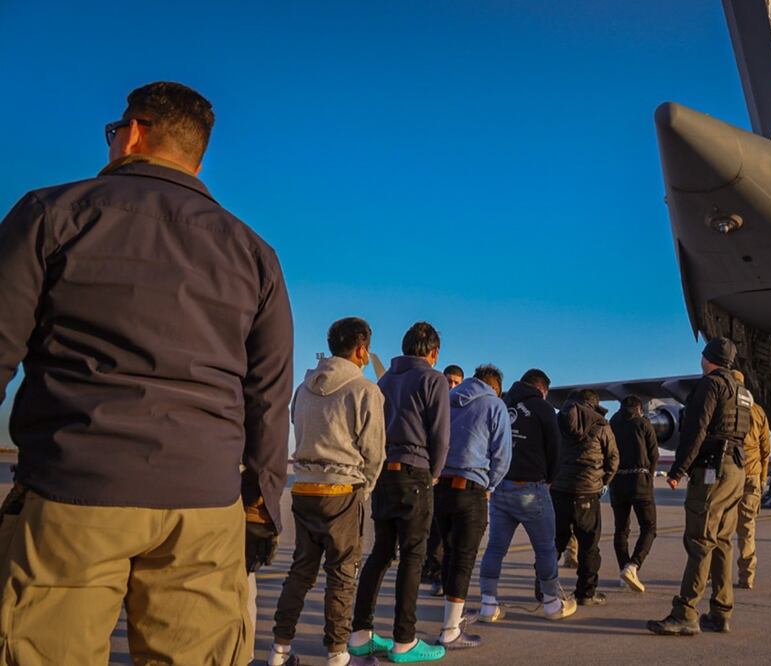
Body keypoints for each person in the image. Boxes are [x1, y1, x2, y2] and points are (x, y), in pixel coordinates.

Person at [0, 81, 293, 664]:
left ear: (133, 132)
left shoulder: (52, 214)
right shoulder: (253, 253)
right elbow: (268, 393)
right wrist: (261, 506)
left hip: (76, 487)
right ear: (197, 160)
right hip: (204, 504)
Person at [267, 318, 386, 666]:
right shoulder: (365, 390)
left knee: (300, 572)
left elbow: (297, 426)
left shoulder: (303, 389)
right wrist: (365, 489)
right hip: (342, 490)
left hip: (304, 488)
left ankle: (279, 650)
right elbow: (374, 452)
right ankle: (337, 653)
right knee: (342, 575)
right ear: (361, 349)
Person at [350, 322, 449, 663]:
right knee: (412, 557)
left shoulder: (385, 381)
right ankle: (404, 640)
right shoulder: (433, 379)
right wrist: (433, 474)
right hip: (414, 471)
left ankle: (360, 633)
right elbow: (441, 435)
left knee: (381, 552)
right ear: (433, 353)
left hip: (384, 472)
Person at [647, 337, 753, 637]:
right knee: (722, 541)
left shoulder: (710, 385)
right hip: (736, 470)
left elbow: (696, 430)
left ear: (708, 359)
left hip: (712, 471)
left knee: (699, 540)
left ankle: (685, 613)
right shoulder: (743, 392)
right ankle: (720, 612)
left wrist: (678, 470)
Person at [478, 369, 577, 622]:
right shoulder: (543, 409)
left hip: (500, 487)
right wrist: (550, 478)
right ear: (542, 389)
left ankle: (488, 604)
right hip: (531, 488)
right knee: (545, 548)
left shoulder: (501, 404)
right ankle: (551, 603)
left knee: (495, 548)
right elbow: (555, 449)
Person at [432, 364, 512, 648]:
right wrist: (490, 485)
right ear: (495, 388)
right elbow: (502, 455)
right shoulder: (495, 405)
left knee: (449, 553)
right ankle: (450, 630)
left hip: (441, 486)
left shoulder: (445, 400)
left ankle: (453, 614)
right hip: (471, 486)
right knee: (464, 558)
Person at [552, 389, 619, 606]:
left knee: (554, 543)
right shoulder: (601, 425)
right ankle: (586, 593)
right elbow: (613, 459)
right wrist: (602, 481)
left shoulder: (557, 423)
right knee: (589, 546)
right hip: (587, 493)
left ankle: (545, 589)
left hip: (559, 491)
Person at [609, 395, 659, 593]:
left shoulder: (612, 424)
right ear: (639, 408)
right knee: (649, 527)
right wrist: (649, 476)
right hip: (640, 480)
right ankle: (633, 565)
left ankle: (623, 568)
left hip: (617, 481)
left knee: (621, 529)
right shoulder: (643, 424)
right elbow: (654, 454)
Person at [422, 364, 464, 596]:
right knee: (433, 529)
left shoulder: (464, 408)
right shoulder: (433, 404)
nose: (452, 386)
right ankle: (434, 571)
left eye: (457, 382)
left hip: (454, 477)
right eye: (449, 381)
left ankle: (441, 574)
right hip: (434, 475)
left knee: (449, 533)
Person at [736, 402, 771, 590]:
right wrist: (763, 477)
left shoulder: (727, 405)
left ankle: (712, 573)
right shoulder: (758, 411)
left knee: (718, 528)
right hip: (753, 475)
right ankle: (747, 577)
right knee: (747, 529)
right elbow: (766, 449)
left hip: (730, 475)